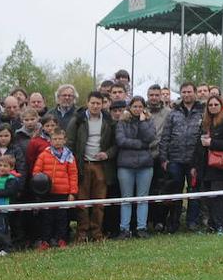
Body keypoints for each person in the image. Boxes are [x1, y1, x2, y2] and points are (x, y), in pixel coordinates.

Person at [66, 91, 115, 242]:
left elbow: (115, 144)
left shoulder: (108, 120)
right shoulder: (77, 120)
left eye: (98, 103)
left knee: (99, 202)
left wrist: (107, 154)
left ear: (103, 104)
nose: (95, 106)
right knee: (82, 202)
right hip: (82, 165)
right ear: (87, 103)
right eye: (92, 103)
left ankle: (96, 233)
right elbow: (70, 143)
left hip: (101, 167)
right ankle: (82, 233)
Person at [160, 83, 204, 233]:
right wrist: (164, 158)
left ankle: (192, 221)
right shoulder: (173, 113)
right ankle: (173, 222)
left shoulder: (202, 111)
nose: (187, 94)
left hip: (194, 160)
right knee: (175, 192)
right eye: (184, 92)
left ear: (195, 92)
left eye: (189, 91)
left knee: (194, 191)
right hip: (175, 159)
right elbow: (165, 136)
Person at [194, 95, 223, 234]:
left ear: (221, 106)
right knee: (207, 196)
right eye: (210, 105)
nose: (213, 107)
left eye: (216, 104)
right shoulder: (204, 123)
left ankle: (221, 224)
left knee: (217, 196)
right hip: (204, 165)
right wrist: (194, 166)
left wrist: (212, 143)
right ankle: (212, 225)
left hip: (219, 165)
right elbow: (197, 145)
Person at [115, 96, 156, 239]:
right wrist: (141, 145)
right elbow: (121, 141)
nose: (137, 109)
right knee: (126, 199)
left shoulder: (148, 121)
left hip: (145, 165)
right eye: (135, 106)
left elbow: (150, 138)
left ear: (144, 108)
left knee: (142, 198)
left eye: (140, 107)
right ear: (129, 107)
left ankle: (141, 227)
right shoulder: (122, 121)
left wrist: (143, 123)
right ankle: (124, 229)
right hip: (125, 165)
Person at [33, 127, 77, 249]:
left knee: (62, 218)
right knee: (46, 218)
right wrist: (41, 186)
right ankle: (45, 241)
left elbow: (73, 175)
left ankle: (61, 239)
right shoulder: (43, 155)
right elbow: (36, 172)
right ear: (50, 140)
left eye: (60, 139)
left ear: (65, 140)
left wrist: (72, 192)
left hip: (63, 192)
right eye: (55, 139)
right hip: (47, 193)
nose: (57, 141)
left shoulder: (69, 156)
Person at [0, 153, 21, 256]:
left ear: (11, 167)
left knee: (1, 229)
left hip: (3, 208)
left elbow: (9, 192)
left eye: (5, 166)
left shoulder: (12, 179)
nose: (2, 168)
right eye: (0, 165)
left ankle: (7, 248)